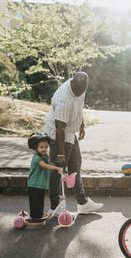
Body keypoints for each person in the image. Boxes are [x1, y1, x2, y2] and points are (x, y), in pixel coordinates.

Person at [44, 71, 103, 216]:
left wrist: (81, 124)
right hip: (57, 134)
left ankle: (82, 203)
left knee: (75, 164)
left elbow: (79, 106)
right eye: (78, 90)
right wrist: (60, 153)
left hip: (70, 131)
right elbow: (59, 129)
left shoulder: (80, 87)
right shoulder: (64, 99)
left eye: (83, 90)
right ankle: (54, 207)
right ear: (73, 84)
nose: (80, 93)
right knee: (57, 170)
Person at [27, 132, 63, 223]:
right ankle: (35, 216)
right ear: (36, 147)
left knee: (40, 200)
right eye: (41, 147)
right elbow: (44, 166)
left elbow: (48, 163)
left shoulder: (45, 156)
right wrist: (55, 168)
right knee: (35, 201)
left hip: (40, 183)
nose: (44, 149)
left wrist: (54, 165)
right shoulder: (37, 158)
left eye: (46, 147)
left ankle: (39, 214)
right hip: (34, 183)